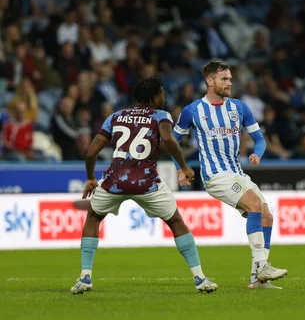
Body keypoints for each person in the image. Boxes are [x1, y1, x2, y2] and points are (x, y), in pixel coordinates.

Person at [70, 77, 218, 294]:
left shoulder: (115, 116)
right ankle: (199, 278)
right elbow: (167, 140)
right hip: (146, 183)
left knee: (93, 217)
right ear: (157, 96)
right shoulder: (161, 116)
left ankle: (85, 277)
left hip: (114, 181)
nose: (164, 97)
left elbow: (91, 151)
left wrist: (91, 178)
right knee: (176, 222)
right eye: (163, 93)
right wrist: (184, 166)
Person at [173, 60, 288, 290]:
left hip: (237, 173)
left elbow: (260, 139)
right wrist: (181, 168)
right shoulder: (193, 110)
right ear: (210, 80)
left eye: (230, 79)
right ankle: (261, 265)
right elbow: (172, 141)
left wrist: (257, 153)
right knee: (255, 205)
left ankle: (257, 279)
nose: (229, 83)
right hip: (215, 176)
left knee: (267, 217)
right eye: (224, 79)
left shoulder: (239, 108)